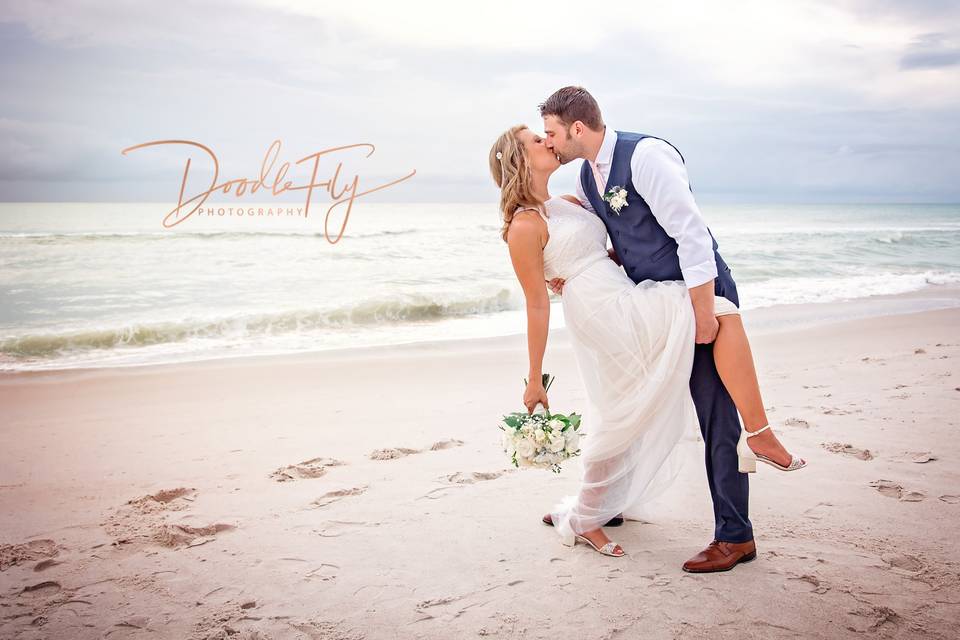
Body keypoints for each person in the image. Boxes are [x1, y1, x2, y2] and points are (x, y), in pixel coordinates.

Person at [488, 96, 805, 567]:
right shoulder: (551, 205)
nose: (547, 140)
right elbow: (540, 298)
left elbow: (672, 234)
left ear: (576, 129)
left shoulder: (622, 168)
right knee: (627, 400)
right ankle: (749, 445)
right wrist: (535, 373)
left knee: (638, 402)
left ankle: (727, 514)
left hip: (650, 293)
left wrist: (688, 303)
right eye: (538, 139)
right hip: (611, 307)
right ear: (519, 160)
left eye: (547, 132)